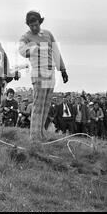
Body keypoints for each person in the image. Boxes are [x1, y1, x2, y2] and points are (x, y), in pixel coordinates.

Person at [18, 10, 68, 140]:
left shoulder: (48, 34)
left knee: (45, 106)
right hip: (38, 73)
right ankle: (34, 137)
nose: (34, 28)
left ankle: (41, 133)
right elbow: (22, 51)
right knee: (38, 106)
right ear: (28, 25)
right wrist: (34, 48)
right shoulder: (26, 37)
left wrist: (62, 70)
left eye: (36, 24)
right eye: (31, 25)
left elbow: (56, 52)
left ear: (40, 22)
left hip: (50, 73)